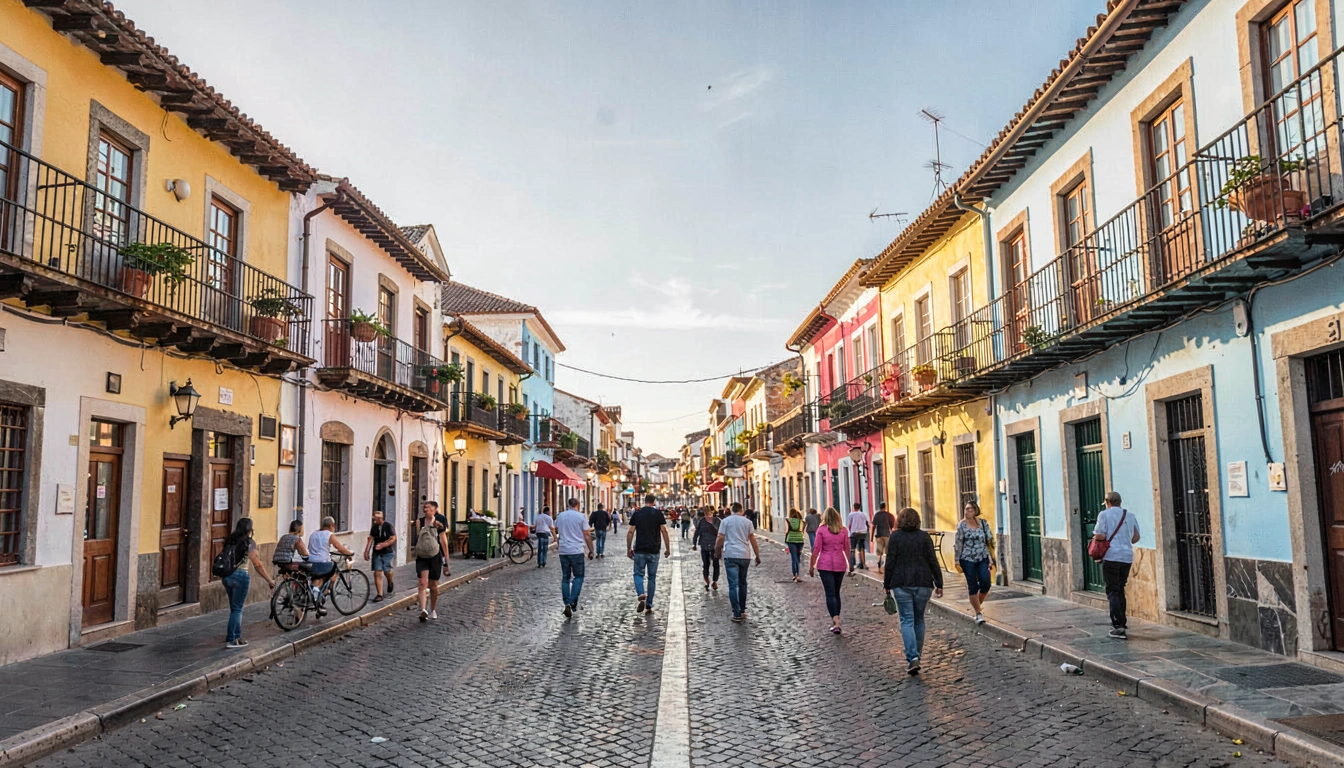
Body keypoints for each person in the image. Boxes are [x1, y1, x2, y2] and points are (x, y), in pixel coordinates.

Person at [884, 507, 944, 674]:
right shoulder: (924, 537)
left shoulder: (895, 537)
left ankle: (913, 657)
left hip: (901, 583)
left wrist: (887, 583)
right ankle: (917, 655)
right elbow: (933, 560)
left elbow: (890, 562)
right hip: (923, 582)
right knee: (919, 620)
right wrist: (939, 583)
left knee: (907, 620)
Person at [1093, 491, 1140, 639]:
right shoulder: (1130, 515)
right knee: (1120, 588)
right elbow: (1136, 537)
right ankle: (1122, 622)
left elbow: (1099, 534)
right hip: (1126, 557)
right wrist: (1124, 539)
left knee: (1112, 590)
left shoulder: (1104, 515)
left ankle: (1118, 626)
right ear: (1120, 502)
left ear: (1108, 502)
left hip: (1111, 556)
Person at [220, 518, 274, 648]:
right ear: (250, 530)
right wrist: (269, 579)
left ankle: (233, 636)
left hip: (227, 576)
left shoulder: (230, 540)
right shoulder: (248, 543)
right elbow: (257, 564)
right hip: (241, 576)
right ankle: (234, 640)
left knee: (234, 608)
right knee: (237, 609)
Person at [715, 502, 760, 622]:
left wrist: (717, 551)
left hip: (730, 554)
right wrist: (757, 555)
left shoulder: (725, 521)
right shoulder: (748, 522)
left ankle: (736, 612)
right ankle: (743, 609)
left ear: (731, 510)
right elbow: (752, 539)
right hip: (745, 555)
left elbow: (720, 537)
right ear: (741, 510)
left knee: (733, 585)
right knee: (742, 583)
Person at [810, 507, 851, 634]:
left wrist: (811, 565)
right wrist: (850, 563)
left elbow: (817, 548)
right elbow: (847, 548)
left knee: (830, 594)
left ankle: (836, 622)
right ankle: (836, 619)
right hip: (840, 564)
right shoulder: (843, 530)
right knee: (836, 593)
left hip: (825, 565)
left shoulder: (821, 530)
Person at [627, 494, 671, 614]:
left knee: (638, 574)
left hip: (640, 549)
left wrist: (629, 548)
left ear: (645, 501)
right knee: (652, 577)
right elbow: (664, 531)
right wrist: (667, 548)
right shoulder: (657, 514)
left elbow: (630, 532)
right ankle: (649, 604)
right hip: (654, 549)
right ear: (654, 502)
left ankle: (641, 593)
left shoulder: (637, 513)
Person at [954, 501, 993, 625]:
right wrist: (956, 560)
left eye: (970, 509)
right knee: (973, 586)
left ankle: (977, 606)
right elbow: (958, 543)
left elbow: (989, 542)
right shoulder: (962, 525)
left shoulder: (983, 523)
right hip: (967, 558)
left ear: (976, 510)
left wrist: (991, 558)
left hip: (982, 557)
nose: (968, 511)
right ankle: (978, 613)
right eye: (966, 509)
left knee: (986, 583)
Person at [555, 498, 594, 618]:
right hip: (576, 550)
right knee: (578, 576)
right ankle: (572, 601)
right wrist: (591, 550)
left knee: (565, 578)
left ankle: (567, 602)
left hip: (563, 550)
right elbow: (587, 534)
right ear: (577, 504)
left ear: (568, 504)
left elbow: (556, 529)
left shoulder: (560, 516)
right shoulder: (581, 517)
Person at [308, 516, 353, 617]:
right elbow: (339, 547)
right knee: (334, 567)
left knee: (319, 577)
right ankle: (325, 592)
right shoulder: (329, 535)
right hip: (323, 563)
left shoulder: (313, 534)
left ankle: (319, 595)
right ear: (332, 525)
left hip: (311, 562)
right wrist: (349, 553)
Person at [411, 506, 449, 622]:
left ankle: (433, 609)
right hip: (422, 556)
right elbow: (420, 537)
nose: (426, 509)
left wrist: (446, 562)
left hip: (435, 556)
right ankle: (423, 610)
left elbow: (443, 541)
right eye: (425, 507)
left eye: (429, 507)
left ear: (434, 510)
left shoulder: (439, 522)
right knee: (422, 583)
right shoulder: (419, 522)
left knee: (433, 586)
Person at [363, 510, 397, 602]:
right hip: (377, 552)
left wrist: (383, 545)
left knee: (386, 571)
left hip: (387, 552)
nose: (374, 520)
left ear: (380, 518)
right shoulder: (374, 528)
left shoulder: (388, 526)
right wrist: (366, 551)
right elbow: (370, 539)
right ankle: (379, 594)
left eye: (375, 518)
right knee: (377, 572)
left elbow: (393, 538)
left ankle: (390, 580)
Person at [693, 506, 721, 590]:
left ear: (713, 513)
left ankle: (714, 581)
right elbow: (697, 532)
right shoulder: (702, 521)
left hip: (714, 545)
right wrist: (694, 544)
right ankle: (707, 581)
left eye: (710, 514)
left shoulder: (717, 521)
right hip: (704, 545)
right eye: (706, 514)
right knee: (706, 564)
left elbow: (722, 533)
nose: (708, 515)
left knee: (715, 564)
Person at [872, 503, 896, 576]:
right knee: (888, 551)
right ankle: (886, 566)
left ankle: (879, 566)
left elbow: (873, 526)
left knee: (879, 552)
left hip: (879, 535)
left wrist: (871, 537)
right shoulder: (889, 515)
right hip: (887, 535)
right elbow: (892, 527)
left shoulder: (877, 515)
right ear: (885, 507)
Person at [784, 508, 807, 582]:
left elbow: (786, 531)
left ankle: (795, 575)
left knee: (793, 558)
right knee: (797, 558)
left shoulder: (788, 520)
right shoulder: (801, 521)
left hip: (791, 540)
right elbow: (802, 531)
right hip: (800, 540)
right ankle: (798, 575)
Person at [846, 503, 869, 573]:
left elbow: (849, 524)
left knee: (852, 549)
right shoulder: (864, 514)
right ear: (859, 507)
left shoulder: (851, 514)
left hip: (854, 533)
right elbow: (867, 523)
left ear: (854, 507)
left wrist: (850, 532)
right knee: (861, 548)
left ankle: (852, 564)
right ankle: (863, 563)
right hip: (863, 533)